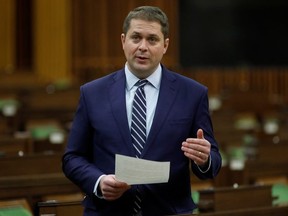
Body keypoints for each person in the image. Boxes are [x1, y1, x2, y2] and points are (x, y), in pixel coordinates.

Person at [62, 5, 222, 216]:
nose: (143, 47)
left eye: (152, 39)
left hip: (169, 210)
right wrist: (98, 182)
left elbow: (213, 161)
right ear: (123, 41)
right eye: (136, 37)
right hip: (107, 211)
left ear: (165, 45)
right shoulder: (92, 93)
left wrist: (205, 159)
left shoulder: (192, 94)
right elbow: (72, 158)